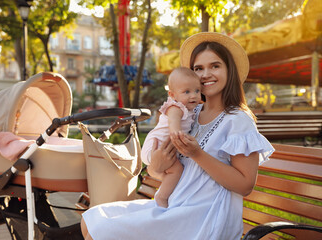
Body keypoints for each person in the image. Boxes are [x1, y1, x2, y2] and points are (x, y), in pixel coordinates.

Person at [81, 32, 274, 240]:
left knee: (101, 230)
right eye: (198, 68)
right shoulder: (190, 114)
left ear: (230, 71)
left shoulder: (237, 119)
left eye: (215, 66)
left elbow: (245, 185)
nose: (205, 74)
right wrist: (156, 165)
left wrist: (197, 153)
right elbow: (163, 170)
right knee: (92, 217)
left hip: (204, 215)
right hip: (177, 203)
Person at [141, 67, 201, 208]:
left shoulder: (189, 108)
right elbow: (173, 124)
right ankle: (162, 197)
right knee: (177, 170)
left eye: (197, 91)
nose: (193, 96)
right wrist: (178, 135)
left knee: (174, 171)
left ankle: (166, 187)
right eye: (187, 92)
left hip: (162, 148)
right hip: (157, 147)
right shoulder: (176, 107)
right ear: (172, 95)